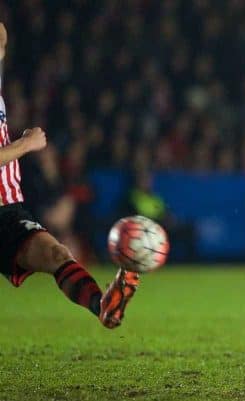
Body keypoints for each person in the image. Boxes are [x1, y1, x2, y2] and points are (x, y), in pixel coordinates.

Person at [0, 22, 138, 329]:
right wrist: (25, 144)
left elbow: (1, 37)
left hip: (6, 212)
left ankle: (103, 306)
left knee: (56, 253)